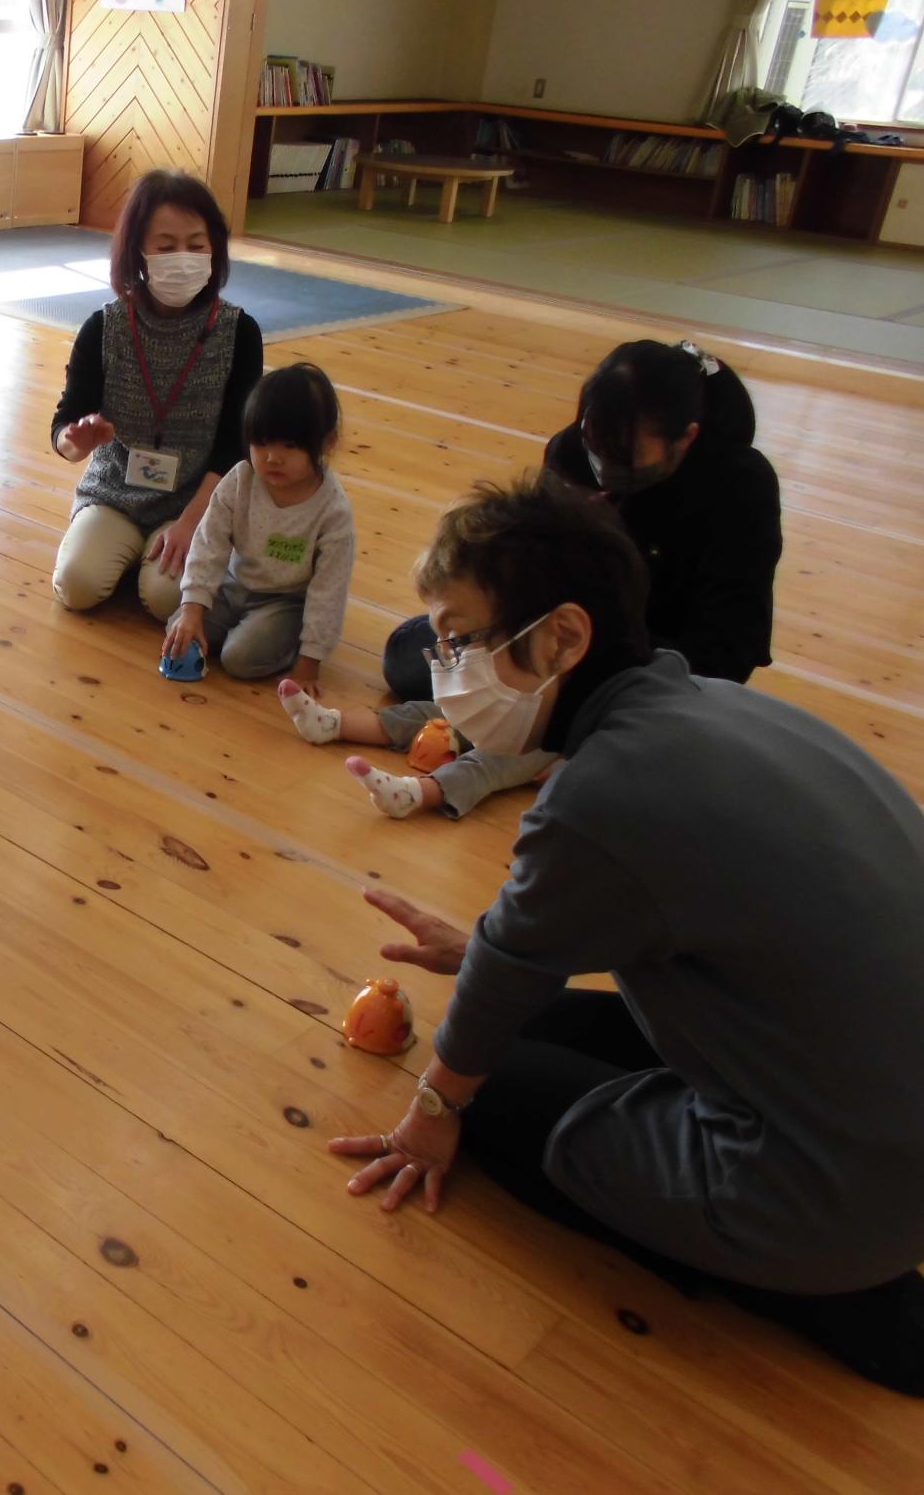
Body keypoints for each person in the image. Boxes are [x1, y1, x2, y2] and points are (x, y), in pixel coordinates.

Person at [329, 479, 924, 1396]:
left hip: (838, 1194)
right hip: (879, 1117)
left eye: (461, 639)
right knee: (531, 1028)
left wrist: (432, 1116)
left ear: (564, 635)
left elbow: (501, 998)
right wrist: (493, 953)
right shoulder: (724, 707)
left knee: (494, 1093)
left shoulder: (600, 792)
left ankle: (818, 1285)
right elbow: (692, 917)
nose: (446, 668)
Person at [354, 340, 782, 820]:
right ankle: (507, 725)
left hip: (662, 665)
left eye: (626, 461)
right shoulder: (570, 456)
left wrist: (588, 727)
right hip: (557, 646)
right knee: (410, 653)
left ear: (687, 437)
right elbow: (525, 582)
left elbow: (730, 649)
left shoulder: (739, 486)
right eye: (597, 449)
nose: (606, 473)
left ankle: (506, 744)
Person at [50, 169, 264, 618]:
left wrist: (192, 523)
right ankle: (126, 548)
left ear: (215, 249)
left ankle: (153, 555)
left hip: (194, 498)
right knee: (77, 585)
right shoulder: (103, 327)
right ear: (137, 253)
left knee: (166, 599)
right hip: (113, 492)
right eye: (165, 247)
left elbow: (235, 446)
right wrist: (75, 440)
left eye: (196, 244)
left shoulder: (239, 332)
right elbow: (65, 425)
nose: (182, 258)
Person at [162, 362, 353, 686]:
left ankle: (289, 642)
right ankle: (222, 625)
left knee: (240, 658)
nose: (272, 458)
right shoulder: (240, 480)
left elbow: (329, 592)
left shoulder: (333, 512)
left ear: (327, 442)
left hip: (284, 603)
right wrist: (193, 608)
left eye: (290, 446)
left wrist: (310, 660)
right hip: (233, 586)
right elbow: (210, 544)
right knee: (178, 628)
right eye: (261, 443)